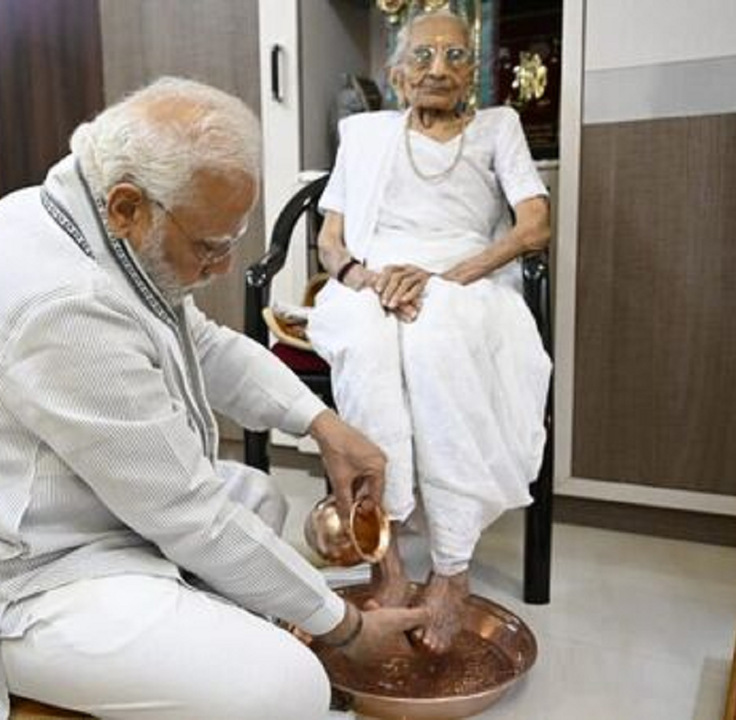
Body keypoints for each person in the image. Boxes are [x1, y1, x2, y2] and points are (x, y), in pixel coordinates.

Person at [0, 77, 428, 720]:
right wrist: (348, 629)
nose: (221, 268)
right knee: (292, 687)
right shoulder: (64, 304)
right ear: (129, 206)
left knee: (260, 499)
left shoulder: (77, 218)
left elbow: (204, 345)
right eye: (211, 246)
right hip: (13, 582)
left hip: (73, 515)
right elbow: (192, 517)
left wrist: (325, 425)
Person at [307, 10, 552, 655]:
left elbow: (534, 227)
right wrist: (364, 277)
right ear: (396, 73)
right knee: (366, 347)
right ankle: (383, 555)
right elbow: (330, 241)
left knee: (436, 343)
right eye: (422, 57)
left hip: (462, 278)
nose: (437, 68)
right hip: (372, 276)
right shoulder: (363, 134)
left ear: (473, 70)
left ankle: (451, 565)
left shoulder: (499, 127)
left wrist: (441, 277)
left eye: (454, 55)